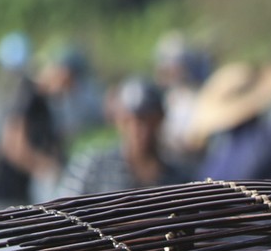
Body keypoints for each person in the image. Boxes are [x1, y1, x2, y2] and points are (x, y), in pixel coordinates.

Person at [57, 78, 190, 197]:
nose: (138, 129)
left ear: (160, 120)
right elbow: (64, 211)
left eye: (147, 120)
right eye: (128, 121)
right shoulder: (93, 168)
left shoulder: (177, 177)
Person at [0, 44, 66, 205]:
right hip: (7, 192)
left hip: (25, 191)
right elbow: (13, 145)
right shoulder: (26, 94)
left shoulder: (45, 101)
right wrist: (46, 168)